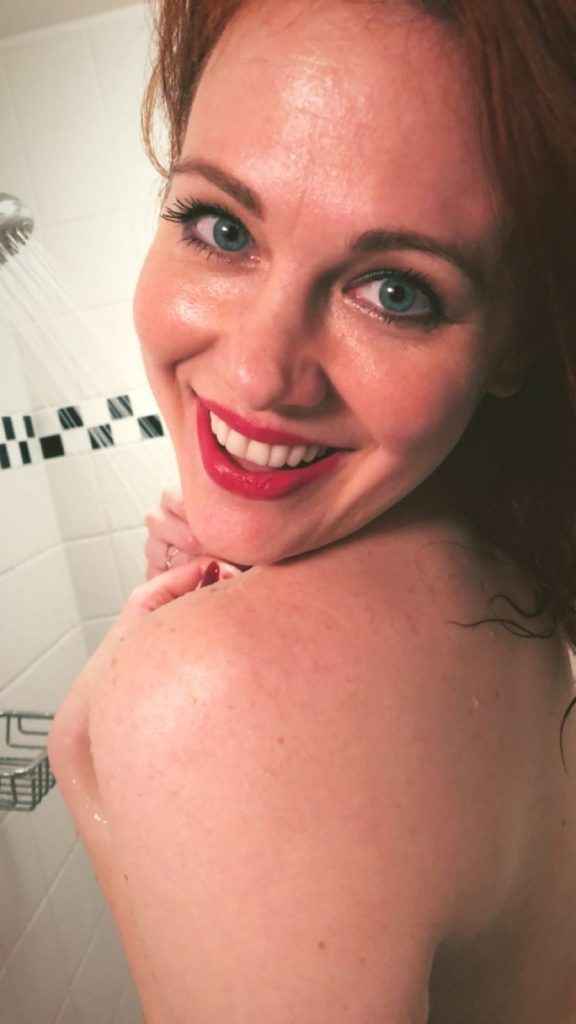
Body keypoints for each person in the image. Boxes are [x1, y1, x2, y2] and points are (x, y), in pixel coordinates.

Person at [49, 0, 576, 1021]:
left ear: (513, 342)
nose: (257, 372)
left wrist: (103, 782)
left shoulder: (219, 695)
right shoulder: (506, 576)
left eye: (395, 291)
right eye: (222, 229)